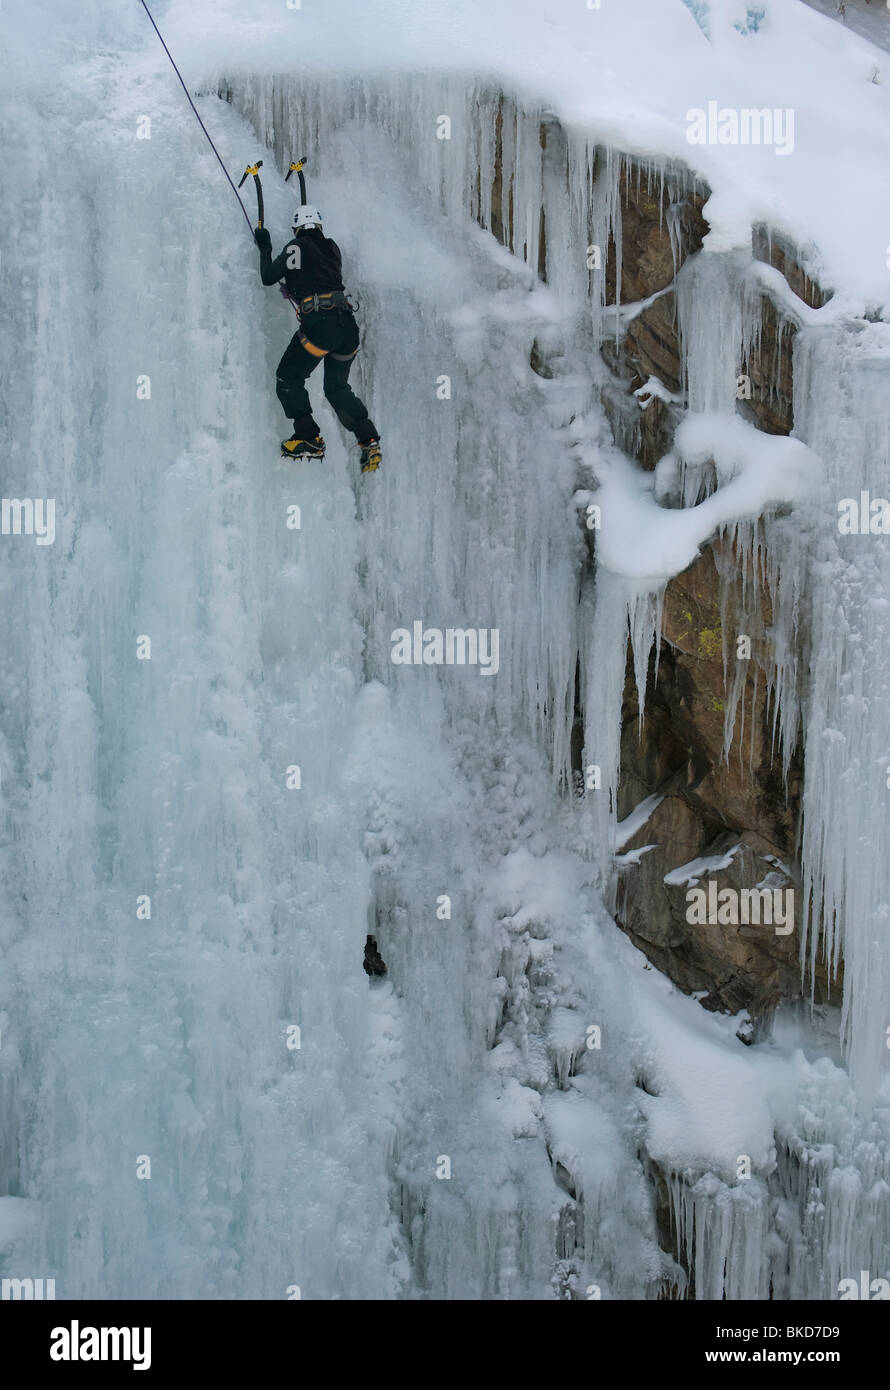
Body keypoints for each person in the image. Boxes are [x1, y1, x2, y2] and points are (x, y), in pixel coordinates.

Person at [255, 206, 381, 472]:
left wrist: (264, 246)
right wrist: (296, 286)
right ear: (319, 226)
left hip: (321, 326)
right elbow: (316, 274)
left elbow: (268, 277)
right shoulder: (332, 248)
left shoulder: (295, 246)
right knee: (337, 389)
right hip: (346, 327)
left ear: (296, 228)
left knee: (288, 377)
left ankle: (308, 437)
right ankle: (368, 438)